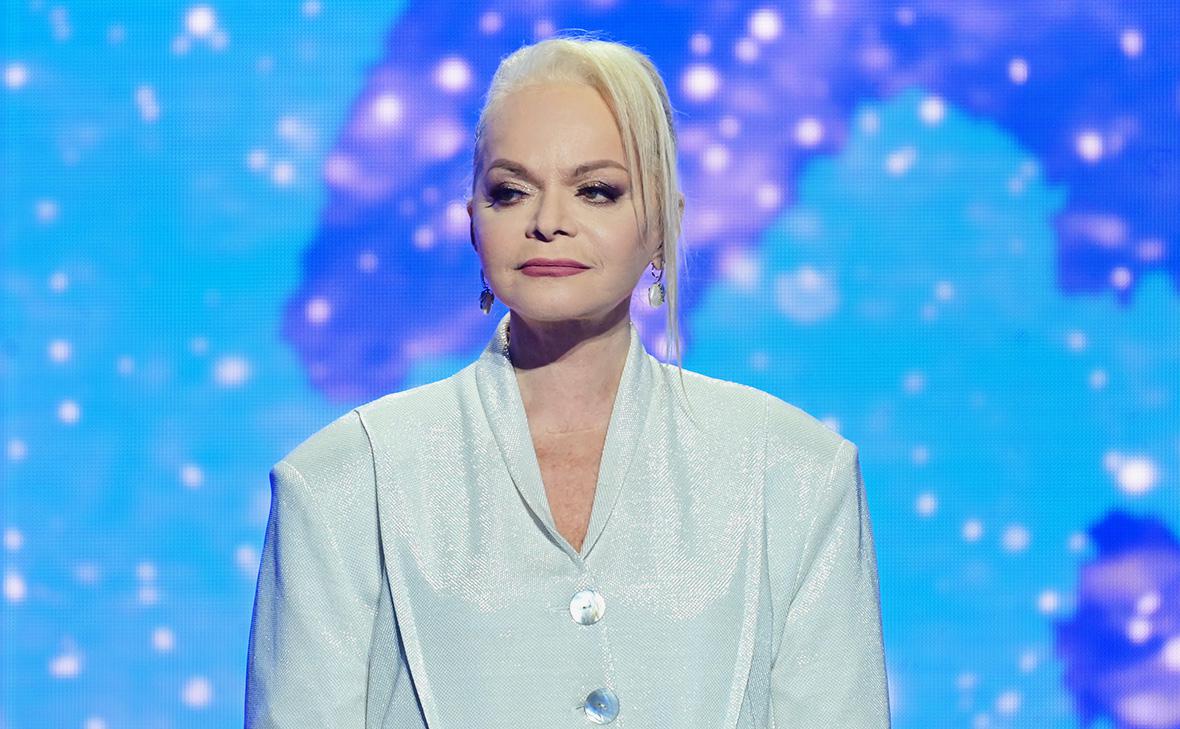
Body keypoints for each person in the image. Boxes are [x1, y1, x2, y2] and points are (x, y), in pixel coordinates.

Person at [245, 33, 891, 728]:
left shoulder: (795, 474)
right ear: (473, 224)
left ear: (663, 225)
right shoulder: (346, 482)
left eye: (596, 191)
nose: (549, 222)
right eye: (511, 191)